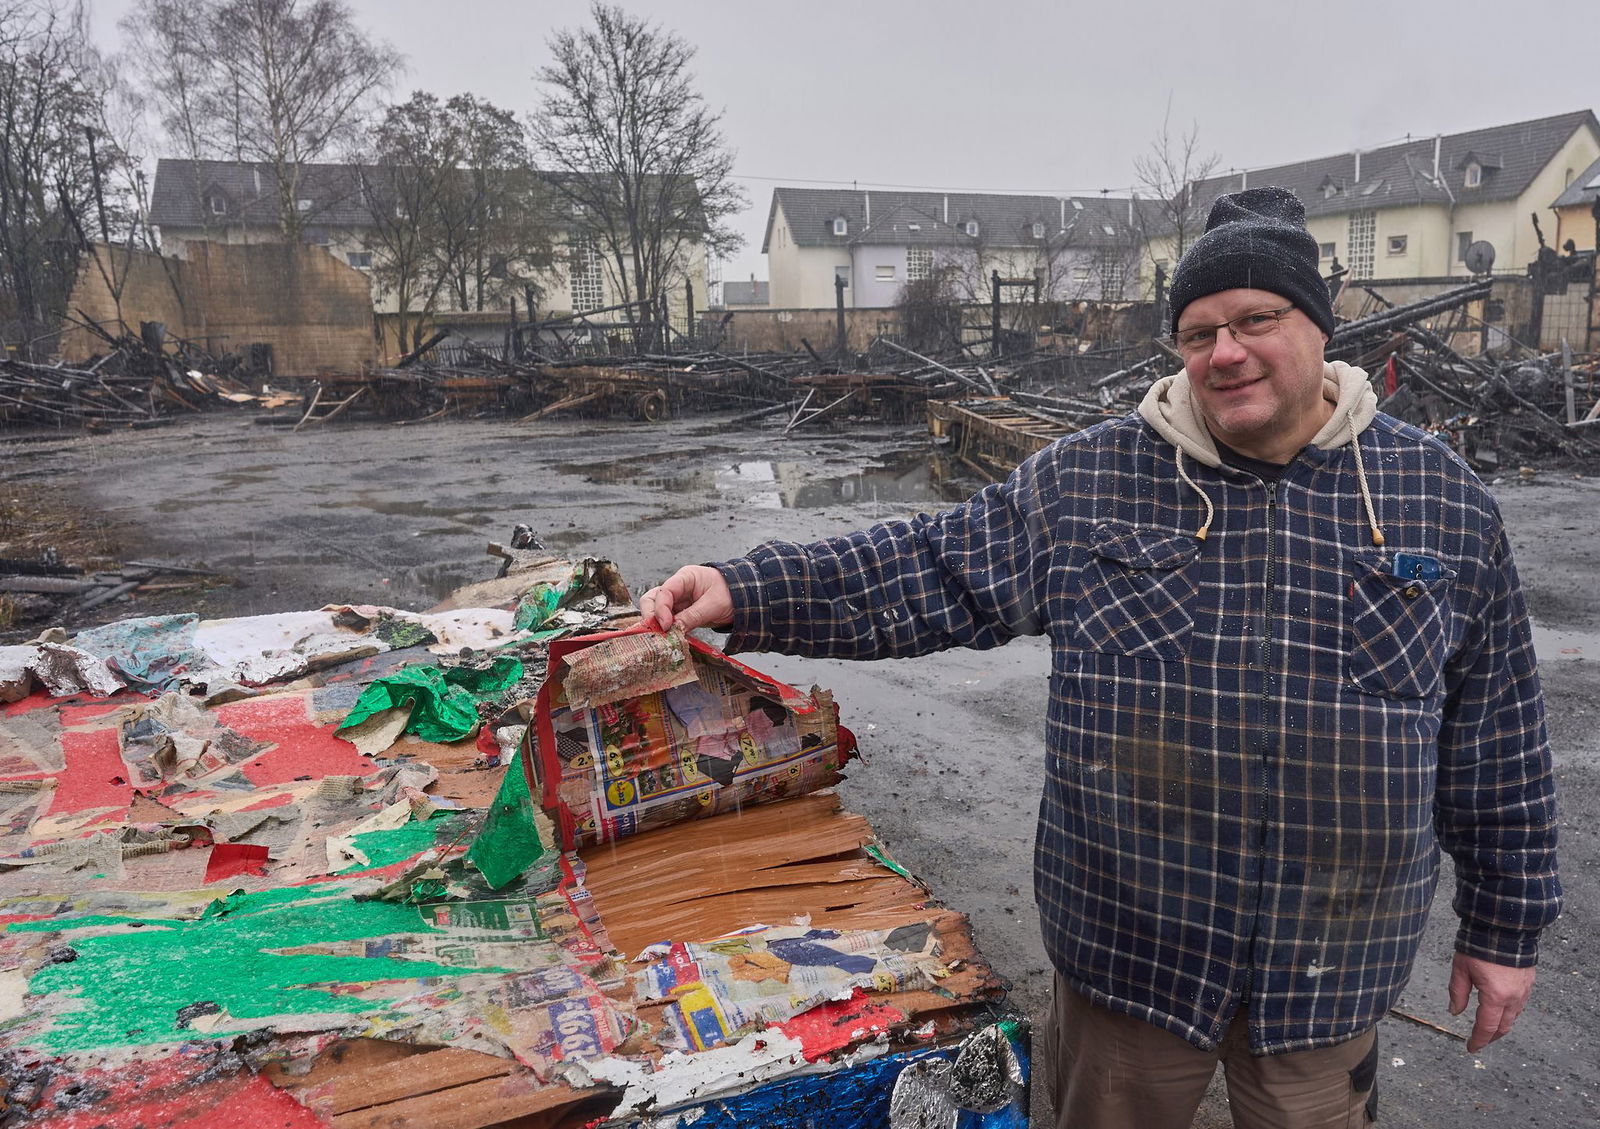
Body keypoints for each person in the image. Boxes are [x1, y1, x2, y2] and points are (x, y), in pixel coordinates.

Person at [639, 187, 1561, 1129]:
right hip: (1131, 964)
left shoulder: (1434, 499)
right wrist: (746, 588)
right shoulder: (1096, 480)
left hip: (1332, 969)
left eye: (1256, 320)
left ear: (1319, 328)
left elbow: (1498, 736)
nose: (1226, 351)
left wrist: (1504, 927)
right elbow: (931, 566)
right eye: (1199, 333)